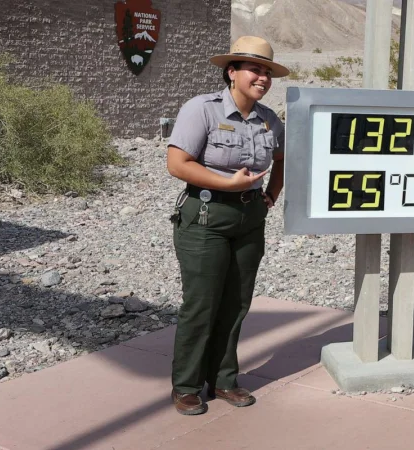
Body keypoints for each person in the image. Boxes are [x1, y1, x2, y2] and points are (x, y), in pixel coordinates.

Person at [165, 36, 288, 415]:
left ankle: (223, 380)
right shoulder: (200, 109)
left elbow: (281, 158)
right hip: (206, 216)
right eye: (255, 69)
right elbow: (178, 164)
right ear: (232, 72)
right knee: (202, 303)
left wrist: (272, 193)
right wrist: (228, 184)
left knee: (236, 302)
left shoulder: (269, 119)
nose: (262, 77)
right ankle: (186, 385)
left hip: (250, 218)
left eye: (267, 71)